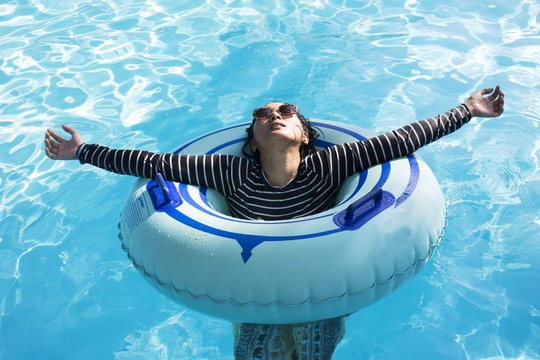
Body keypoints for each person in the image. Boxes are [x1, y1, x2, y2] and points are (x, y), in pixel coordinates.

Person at [45, 86, 504, 359]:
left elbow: (403, 139)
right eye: (262, 115)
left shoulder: (332, 163)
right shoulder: (228, 172)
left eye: (285, 112)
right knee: (258, 348)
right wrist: (82, 151)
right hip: (250, 280)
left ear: (304, 134)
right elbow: (152, 163)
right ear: (252, 136)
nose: (274, 117)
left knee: (310, 345)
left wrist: (467, 109)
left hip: (323, 272)